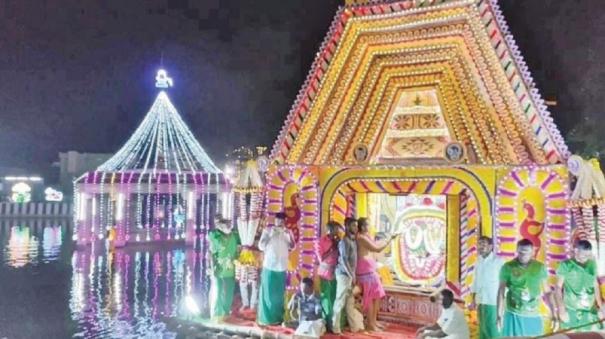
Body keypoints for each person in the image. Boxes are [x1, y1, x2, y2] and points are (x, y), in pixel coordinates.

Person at [497, 238, 557, 336]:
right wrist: (499, 315)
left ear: (533, 252)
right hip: (513, 313)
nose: (523, 255)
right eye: (520, 252)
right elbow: (501, 292)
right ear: (517, 250)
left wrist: (554, 314)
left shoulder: (540, 267)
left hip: (533, 313)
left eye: (526, 252)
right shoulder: (508, 267)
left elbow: (547, 292)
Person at [356, 217, 396, 331]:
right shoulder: (361, 238)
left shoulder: (366, 236)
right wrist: (389, 240)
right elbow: (377, 249)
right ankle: (370, 324)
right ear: (363, 227)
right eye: (368, 224)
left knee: (376, 296)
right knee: (370, 297)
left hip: (370, 269)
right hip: (364, 270)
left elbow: (376, 246)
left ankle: (374, 322)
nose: (370, 226)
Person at [555, 240, 605, 331]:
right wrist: (561, 308)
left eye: (588, 255)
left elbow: (595, 285)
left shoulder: (592, 264)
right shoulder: (566, 265)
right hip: (571, 311)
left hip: (589, 311)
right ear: (576, 250)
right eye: (583, 255)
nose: (585, 258)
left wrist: (601, 306)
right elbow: (558, 287)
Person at [257, 212, 295, 325]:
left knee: (278, 295)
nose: (281, 223)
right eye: (279, 220)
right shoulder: (268, 231)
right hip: (269, 266)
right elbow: (261, 246)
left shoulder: (287, 232)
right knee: (268, 294)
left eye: (283, 221)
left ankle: (278, 318)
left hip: (282, 267)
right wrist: (270, 235)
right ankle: (266, 319)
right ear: (275, 220)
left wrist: (290, 235)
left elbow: (292, 247)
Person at [332, 217, 364, 334]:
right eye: (353, 226)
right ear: (347, 227)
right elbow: (344, 261)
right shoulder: (344, 241)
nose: (356, 228)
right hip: (344, 275)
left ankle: (353, 327)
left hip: (350, 275)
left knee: (350, 302)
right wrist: (351, 275)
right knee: (339, 301)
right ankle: (336, 328)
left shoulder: (353, 241)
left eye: (356, 226)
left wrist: (353, 275)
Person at [469, 236, 505, 339]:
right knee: (483, 330)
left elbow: (504, 284)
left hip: (493, 302)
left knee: (493, 332)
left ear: (490, 246)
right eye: (479, 244)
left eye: (483, 244)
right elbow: (475, 282)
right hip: (481, 301)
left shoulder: (498, 261)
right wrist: (473, 300)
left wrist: (503, 302)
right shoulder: (478, 261)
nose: (480, 247)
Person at [208, 218, 240, 320]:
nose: (228, 227)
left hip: (231, 269)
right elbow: (211, 254)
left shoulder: (235, 236)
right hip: (219, 270)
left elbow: (240, 248)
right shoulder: (216, 237)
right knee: (217, 292)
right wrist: (212, 268)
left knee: (229, 293)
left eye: (229, 225)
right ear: (220, 227)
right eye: (226, 225)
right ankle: (216, 315)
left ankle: (226, 313)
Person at [316, 221, 341, 331]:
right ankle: (327, 322)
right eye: (336, 230)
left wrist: (339, 245)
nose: (337, 232)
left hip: (336, 272)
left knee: (335, 297)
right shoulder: (320, 241)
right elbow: (321, 259)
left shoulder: (338, 241)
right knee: (326, 299)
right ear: (330, 230)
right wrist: (332, 248)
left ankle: (335, 322)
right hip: (325, 272)